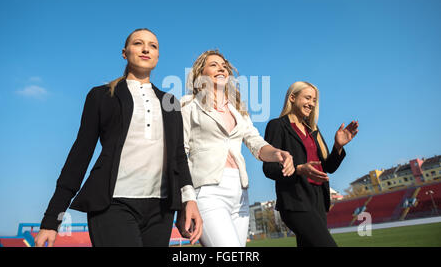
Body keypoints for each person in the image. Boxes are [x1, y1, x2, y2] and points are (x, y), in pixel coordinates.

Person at [35, 28, 202, 247]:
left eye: (153, 46)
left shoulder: (170, 103)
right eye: (138, 43)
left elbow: (179, 157)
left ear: (158, 56)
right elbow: (80, 155)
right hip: (112, 206)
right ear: (125, 53)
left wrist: (188, 201)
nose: (145, 49)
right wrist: (52, 219)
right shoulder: (101, 96)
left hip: (161, 211)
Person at [177, 49, 295, 247]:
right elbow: (180, 152)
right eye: (213, 65)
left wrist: (277, 153)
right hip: (207, 192)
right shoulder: (188, 104)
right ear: (200, 73)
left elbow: (255, 142)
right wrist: (186, 198)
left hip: (240, 194)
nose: (221, 68)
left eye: (224, 65)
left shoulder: (238, 109)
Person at [263, 81, 358, 247]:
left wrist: (338, 146)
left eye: (314, 100)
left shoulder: (312, 129)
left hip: (318, 200)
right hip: (295, 201)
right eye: (308, 98)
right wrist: (299, 170)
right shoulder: (277, 126)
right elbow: (269, 168)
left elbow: (328, 167)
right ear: (292, 97)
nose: (312, 104)